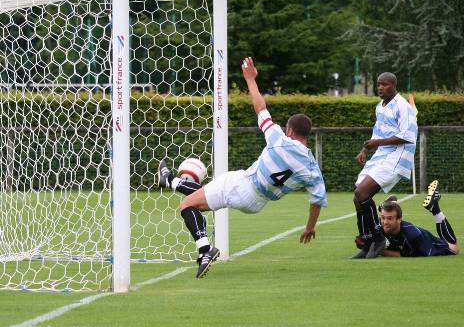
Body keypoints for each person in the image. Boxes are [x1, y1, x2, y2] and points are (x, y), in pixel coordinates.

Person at [158, 56, 328, 278]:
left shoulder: (279, 139)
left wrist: (250, 79)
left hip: (243, 185)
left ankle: (205, 249)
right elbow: (316, 201)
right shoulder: (313, 169)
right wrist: (310, 227)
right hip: (257, 203)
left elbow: (260, 107)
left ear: (289, 130)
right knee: (201, 199)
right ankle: (170, 180)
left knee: (186, 206)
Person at [352, 72, 418, 259]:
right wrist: (365, 150)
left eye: (384, 84)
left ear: (394, 86)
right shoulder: (379, 107)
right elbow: (376, 134)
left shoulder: (403, 107)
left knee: (362, 193)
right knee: (358, 197)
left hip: (397, 156)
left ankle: (379, 239)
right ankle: (367, 242)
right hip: (381, 155)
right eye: (378, 84)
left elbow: (407, 136)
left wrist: (377, 143)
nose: (380, 87)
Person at [380, 180, 460, 257]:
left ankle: (435, 209)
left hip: (426, 242)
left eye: (389, 218)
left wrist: (381, 251)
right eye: (383, 217)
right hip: (414, 235)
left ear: (399, 219)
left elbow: (405, 254)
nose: (385, 222)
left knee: (454, 248)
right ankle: (388, 205)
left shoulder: (412, 235)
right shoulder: (377, 223)